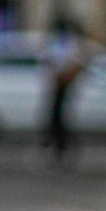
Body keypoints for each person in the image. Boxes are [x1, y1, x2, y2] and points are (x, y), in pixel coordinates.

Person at [41, 13, 94, 166]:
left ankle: (62, 148)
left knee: (60, 117)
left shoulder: (69, 42)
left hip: (64, 83)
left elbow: (76, 63)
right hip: (59, 82)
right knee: (55, 117)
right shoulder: (61, 42)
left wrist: (65, 76)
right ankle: (57, 148)